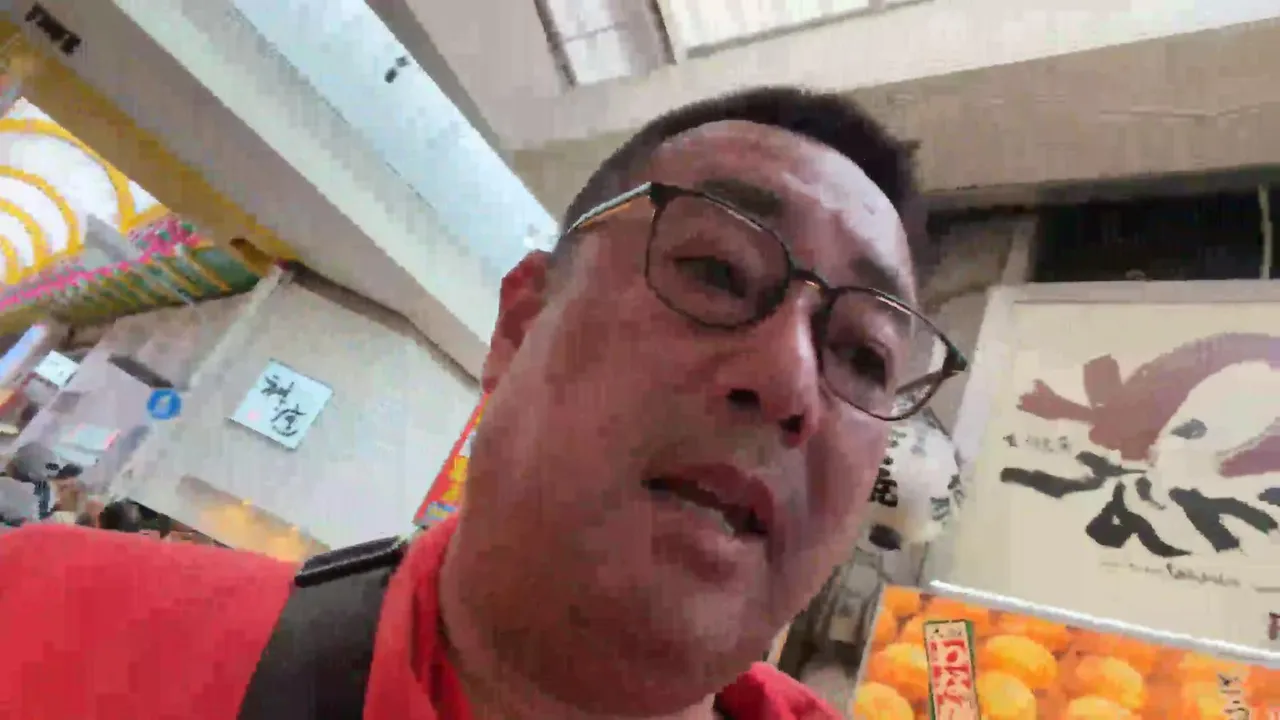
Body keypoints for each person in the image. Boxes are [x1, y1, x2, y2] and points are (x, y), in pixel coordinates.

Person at [0, 86, 965, 719]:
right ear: (521, 321)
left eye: (863, 355)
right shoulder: (47, 626)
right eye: (717, 269)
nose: (792, 383)